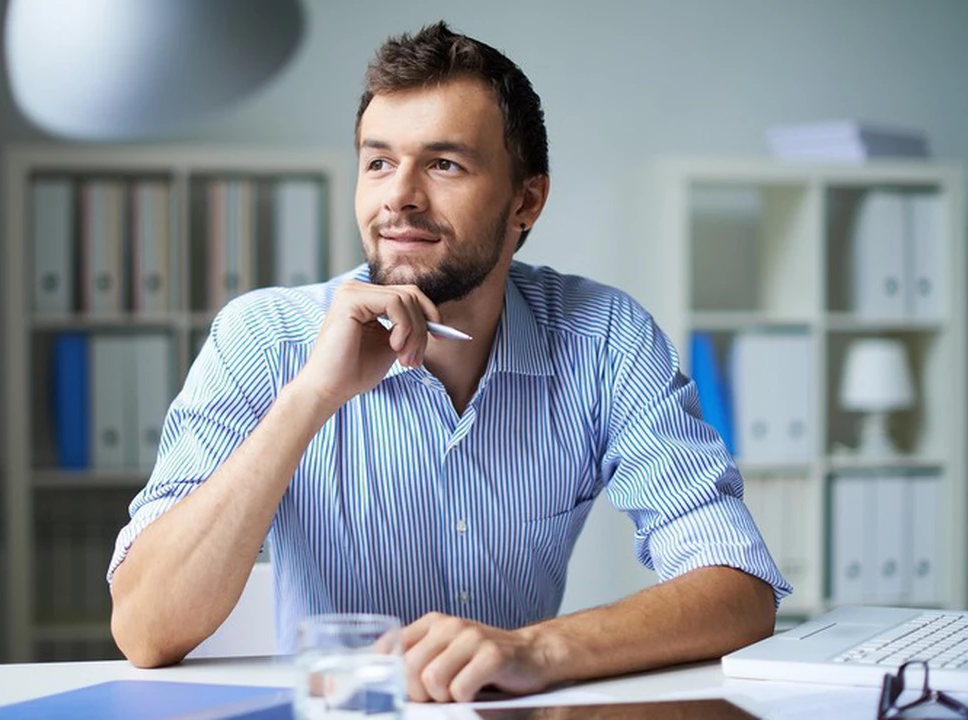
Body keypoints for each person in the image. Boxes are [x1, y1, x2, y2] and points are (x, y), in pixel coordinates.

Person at [108, 20, 790, 703]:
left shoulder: (605, 339)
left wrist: (535, 648)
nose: (399, 195)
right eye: (378, 162)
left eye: (444, 164)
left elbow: (738, 588)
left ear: (525, 200)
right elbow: (145, 629)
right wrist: (312, 394)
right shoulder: (263, 338)